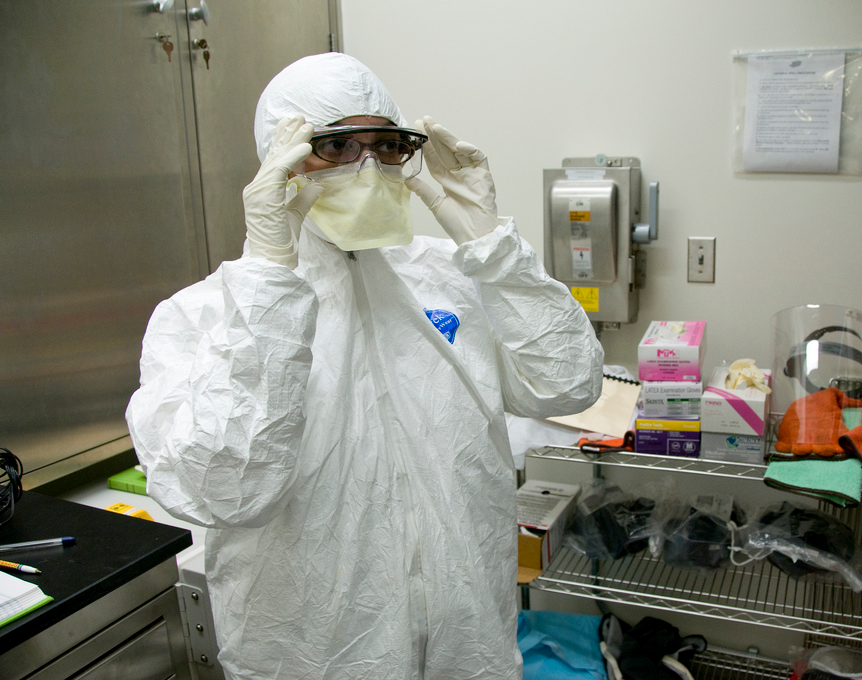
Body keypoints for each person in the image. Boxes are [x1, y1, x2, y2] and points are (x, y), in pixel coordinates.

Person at [125, 52, 604, 680]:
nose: (368, 166)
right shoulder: (208, 315)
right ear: (281, 157)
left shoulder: (448, 277)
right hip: (316, 659)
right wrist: (271, 275)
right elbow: (226, 491)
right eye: (337, 146)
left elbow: (568, 382)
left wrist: (489, 242)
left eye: (385, 144)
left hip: (470, 648)